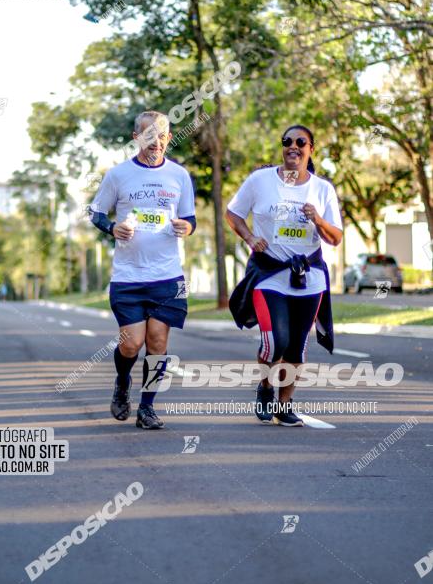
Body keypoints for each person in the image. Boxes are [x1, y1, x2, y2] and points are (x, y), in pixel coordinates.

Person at [225, 124, 343, 426]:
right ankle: (265, 387)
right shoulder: (260, 180)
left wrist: (316, 218)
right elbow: (233, 213)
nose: (293, 146)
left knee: (297, 346)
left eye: (300, 142)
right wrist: (250, 238)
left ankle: (284, 404)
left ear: (311, 148)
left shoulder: (322, 189)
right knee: (274, 341)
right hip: (269, 273)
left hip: (309, 276)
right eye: (287, 141)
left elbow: (335, 238)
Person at [90, 110, 196, 429]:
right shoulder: (119, 175)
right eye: (150, 136)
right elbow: (95, 212)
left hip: (167, 275)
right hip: (128, 276)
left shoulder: (179, 176)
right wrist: (112, 228)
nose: (157, 142)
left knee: (158, 343)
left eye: (163, 135)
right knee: (131, 343)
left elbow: (190, 219)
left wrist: (184, 227)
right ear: (137, 138)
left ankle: (147, 408)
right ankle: (123, 383)